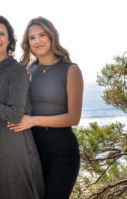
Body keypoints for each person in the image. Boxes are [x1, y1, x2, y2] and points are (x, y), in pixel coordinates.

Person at [8, 16, 84, 199]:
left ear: (51, 36)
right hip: (33, 151)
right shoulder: (27, 70)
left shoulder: (70, 70)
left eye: (42, 35)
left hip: (62, 152)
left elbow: (74, 118)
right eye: (32, 38)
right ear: (28, 43)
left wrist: (32, 121)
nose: (37, 41)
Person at [0, 15, 45, 199]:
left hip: (14, 148)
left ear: (9, 39)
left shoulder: (17, 70)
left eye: (1, 34)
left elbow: (15, 115)